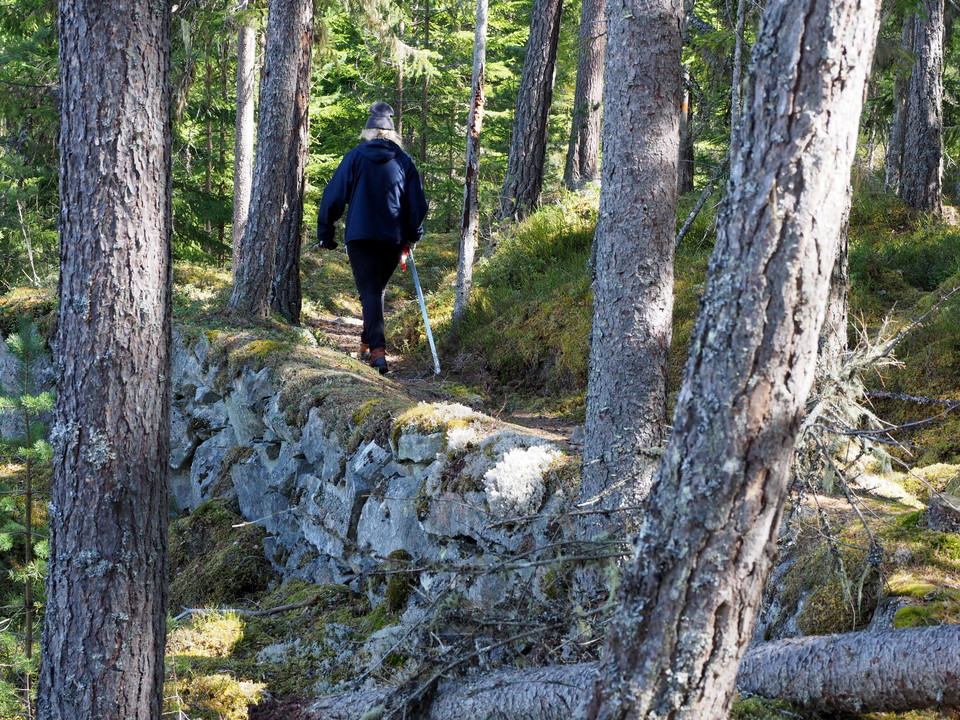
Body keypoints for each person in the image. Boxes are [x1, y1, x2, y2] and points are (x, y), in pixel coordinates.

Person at [313, 102, 428, 375]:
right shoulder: (404, 161)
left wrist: (326, 234)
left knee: (371, 292)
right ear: (392, 133)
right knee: (374, 291)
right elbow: (418, 204)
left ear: (368, 132)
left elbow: (333, 196)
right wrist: (412, 235)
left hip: (361, 237)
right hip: (392, 237)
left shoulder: (355, 157)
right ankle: (367, 344)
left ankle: (377, 353)